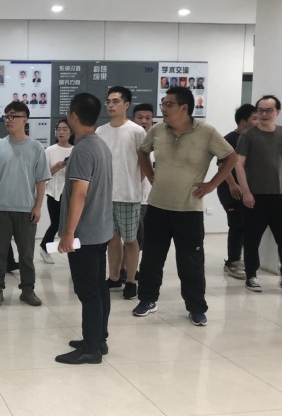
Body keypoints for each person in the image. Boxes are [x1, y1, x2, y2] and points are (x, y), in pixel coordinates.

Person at [133, 86, 236, 325]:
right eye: (163, 104)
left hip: (189, 209)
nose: (163, 108)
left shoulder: (206, 132)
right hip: (157, 206)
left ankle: (196, 307)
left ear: (184, 108)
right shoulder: (158, 130)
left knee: (191, 262)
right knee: (151, 258)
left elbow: (230, 157)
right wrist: (150, 175)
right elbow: (143, 151)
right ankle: (147, 299)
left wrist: (212, 184)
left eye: (168, 104)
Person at [54, 93, 114, 365]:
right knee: (99, 288)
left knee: (88, 292)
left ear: (73, 116)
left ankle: (90, 349)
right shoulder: (100, 145)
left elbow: (79, 193)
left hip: (85, 234)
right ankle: (98, 339)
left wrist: (68, 233)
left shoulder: (82, 150)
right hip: (101, 229)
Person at [0, 101, 51, 307]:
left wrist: (38, 207)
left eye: (13, 116)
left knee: (26, 255)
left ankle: (28, 290)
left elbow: (41, 180)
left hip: (26, 210)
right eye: (6, 116)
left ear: (25, 119)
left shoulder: (36, 148)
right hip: (1, 209)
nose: (8, 120)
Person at [235, 95, 282, 294]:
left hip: (280, 196)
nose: (264, 114)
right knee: (252, 238)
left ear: (277, 112)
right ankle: (251, 275)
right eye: (260, 110)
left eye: (268, 110)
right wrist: (246, 192)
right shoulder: (248, 135)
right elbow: (238, 164)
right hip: (255, 196)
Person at [96, 86, 146, 301]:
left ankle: (131, 280)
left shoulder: (136, 131)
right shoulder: (100, 131)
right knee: (112, 239)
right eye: (108, 101)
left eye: (115, 101)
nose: (110, 105)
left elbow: (144, 164)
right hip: (106, 196)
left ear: (126, 105)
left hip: (128, 196)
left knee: (131, 240)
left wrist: (133, 184)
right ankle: (114, 277)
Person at [216, 104, 257, 279]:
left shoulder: (251, 139)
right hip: (230, 191)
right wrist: (233, 184)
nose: (258, 121)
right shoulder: (230, 139)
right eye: (254, 118)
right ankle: (232, 262)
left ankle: (245, 260)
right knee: (236, 225)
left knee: (246, 225)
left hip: (247, 190)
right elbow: (221, 165)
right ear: (243, 121)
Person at [39, 119, 73, 264]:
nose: (61, 132)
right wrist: (57, 166)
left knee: (71, 224)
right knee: (56, 223)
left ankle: (72, 250)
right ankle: (44, 248)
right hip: (54, 192)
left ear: (71, 132)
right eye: (58, 129)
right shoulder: (50, 150)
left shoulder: (75, 150)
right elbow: (43, 173)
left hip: (71, 193)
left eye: (64, 129)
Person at [132, 103, 155, 251]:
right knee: (134, 240)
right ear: (133, 119)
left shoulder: (158, 143)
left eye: (147, 118)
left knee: (148, 241)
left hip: (153, 199)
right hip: (134, 198)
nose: (144, 121)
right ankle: (128, 265)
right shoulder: (129, 141)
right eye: (140, 117)